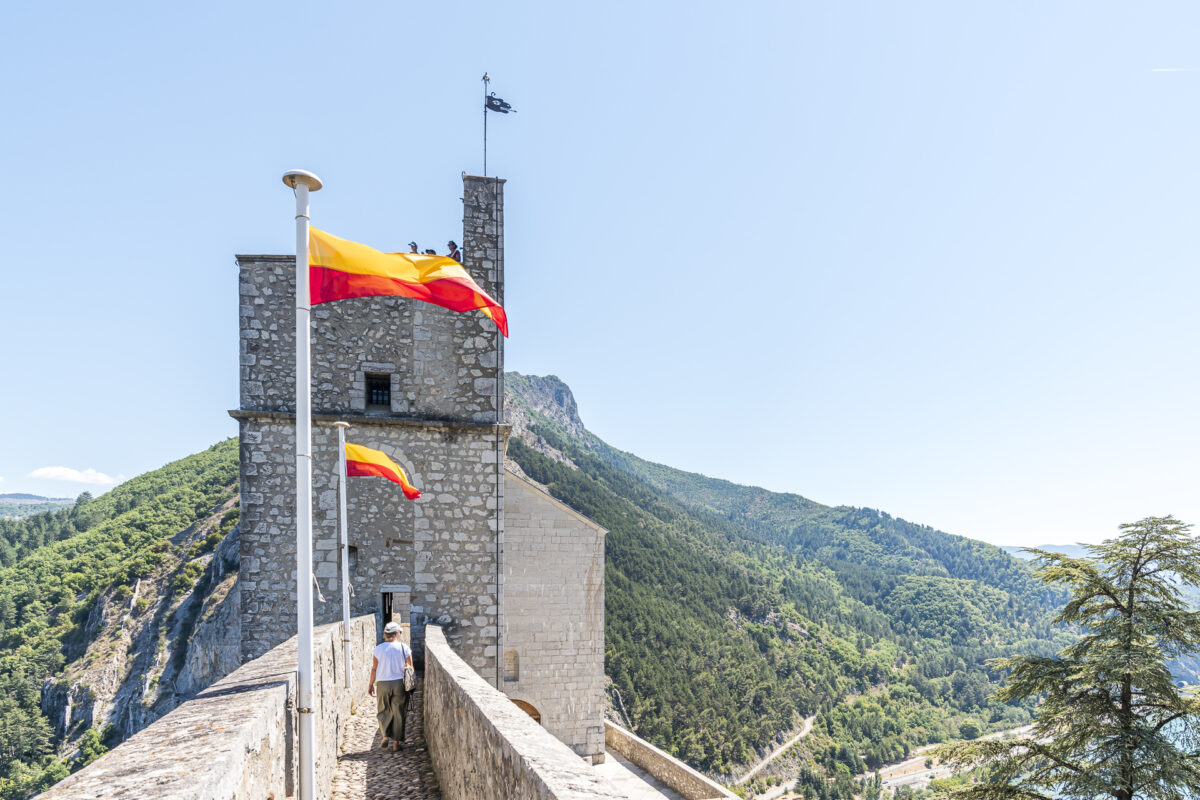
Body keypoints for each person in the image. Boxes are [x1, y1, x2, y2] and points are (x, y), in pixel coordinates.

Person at [368, 621, 413, 751]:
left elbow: (374, 669)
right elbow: (410, 668)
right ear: (397, 634)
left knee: (383, 710)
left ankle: (385, 735)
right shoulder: (404, 648)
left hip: (382, 684)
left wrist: (371, 684)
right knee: (398, 712)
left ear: (385, 634)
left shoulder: (378, 649)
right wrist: (411, 686)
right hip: (399, 683)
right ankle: (396, 743)